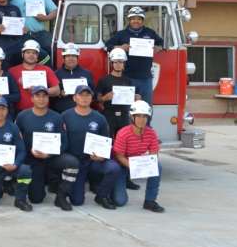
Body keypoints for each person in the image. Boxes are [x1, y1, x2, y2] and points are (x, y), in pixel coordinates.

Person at [15, 86, 79, 211]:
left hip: (52, 157)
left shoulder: (56, 117)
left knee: (72, 163)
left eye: (44, 96)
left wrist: (49, 154)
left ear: (48, 98)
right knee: (36, 199)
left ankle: (61, 197)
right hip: (32, 159)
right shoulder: (22, 116)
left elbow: (64, 142)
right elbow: (16, 140)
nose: (41, 99)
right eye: (37, 96)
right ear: (32, 98)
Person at [63, 85, 121, 209]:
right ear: (74, 98)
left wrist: (102, 156)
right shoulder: (65, 116)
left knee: (114, 168)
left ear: (92, 98)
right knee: (77, 201)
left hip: (95, 161)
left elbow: (106, 142)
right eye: (81, 95)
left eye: (87, 95)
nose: (84, 98)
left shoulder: (99, 118)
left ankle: (101, 196)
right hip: (76, 163)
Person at [96, 47, 142, 191]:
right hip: (109, 115)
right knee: (107, 146)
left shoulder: (128, 81)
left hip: (124, 115)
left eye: (121, 62)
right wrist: (105, 97)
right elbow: (97, 100)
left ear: (124, 64)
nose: (118, 65)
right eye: (115, 62)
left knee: (127, 147)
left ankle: (127, 178)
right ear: (111, 63)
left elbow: (137, 98)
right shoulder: (104, 80)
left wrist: (137, 98)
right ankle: (104, 176)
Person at [112, 101, 165, 213]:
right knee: (120, 201)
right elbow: (119, 156)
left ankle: (150, 201)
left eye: (145, 116)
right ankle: (114, 188)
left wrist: (148, 164)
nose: (142, 119)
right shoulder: (123, 133)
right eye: (138, 116)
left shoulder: (151, 133)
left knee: (157, 166)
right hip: (122, 166)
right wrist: (133, 167)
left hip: (137, 164)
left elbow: (154, 153)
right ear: (132, 117)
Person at [105, 6, 164, 105]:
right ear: (129, 20)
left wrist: (158, 48)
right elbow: (107, 46)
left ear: (142, 20)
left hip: (146, 78)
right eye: (133, 19)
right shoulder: (121, 34)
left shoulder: (150, 32)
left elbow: (161, 43)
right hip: (127, 77)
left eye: (139, 19)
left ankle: (146, 121)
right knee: (127, 106)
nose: (136, 21)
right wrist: (120, 47)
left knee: (146, 106)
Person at [7, 0, 57, 65]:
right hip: (21, 34)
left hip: (40, 33)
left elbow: (55, 11)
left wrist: (46, 17)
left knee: (52, 48)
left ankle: (49, 74)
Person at [9, 40, 60, 114]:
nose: (31, 55)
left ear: (38, 55)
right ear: (22, 54)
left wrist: (40, 90)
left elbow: (57, 91)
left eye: (34, 53)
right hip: (19, 112)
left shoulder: (46, 70)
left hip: (42, 111)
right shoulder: (12, 71)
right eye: (28, 52)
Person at [52, 43, 95, 113]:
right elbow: (49, 96)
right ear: (64, 58)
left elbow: (93, 94)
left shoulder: (87, 74)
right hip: (61, 113)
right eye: (68, 56)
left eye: (73, 56)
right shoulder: (56, 74)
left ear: (77, 58)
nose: (71, 58)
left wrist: (86, 93)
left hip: (82, 113)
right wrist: (59, 94)